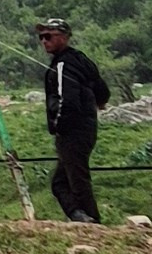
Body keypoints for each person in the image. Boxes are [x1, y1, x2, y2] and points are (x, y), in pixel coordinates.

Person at [39, 16, 109, 223]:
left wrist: (59, 127)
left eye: (48, 36)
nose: (44, 41)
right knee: (61, 182)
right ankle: (80, 217)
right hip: (88, 129)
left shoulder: (62, 65)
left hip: (72, 131)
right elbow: (103, 93)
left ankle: (91, 222)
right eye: (41, 37)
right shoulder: (82, 60)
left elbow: (66, 100)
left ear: (63, 37)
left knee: (76, 180)